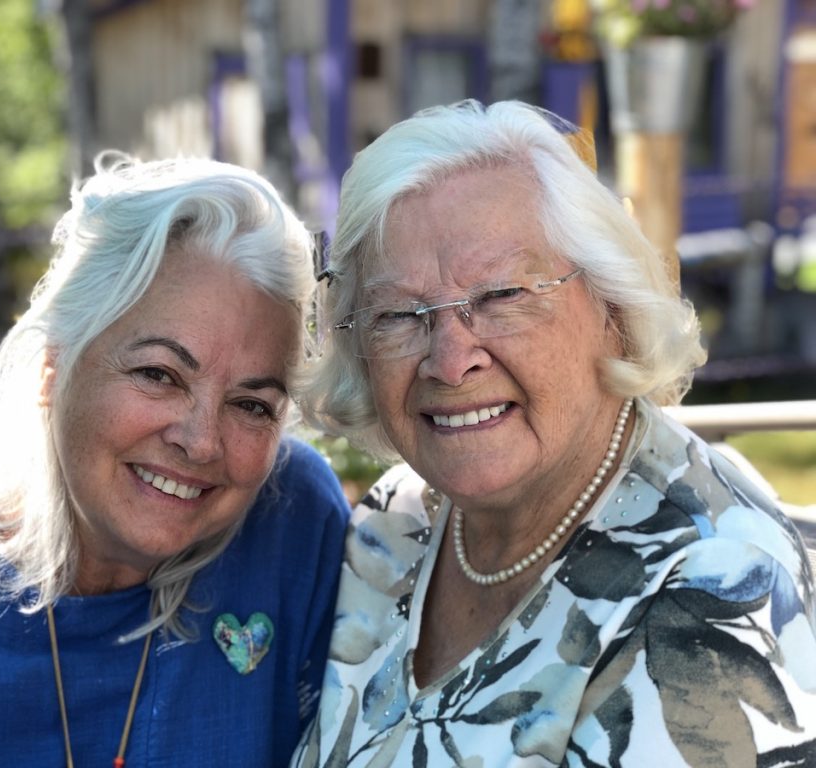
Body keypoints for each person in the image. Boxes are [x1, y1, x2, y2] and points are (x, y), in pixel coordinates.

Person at [292, 100, 816, 767]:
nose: (451, 361)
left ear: (611, 306)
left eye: (502, 297)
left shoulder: (711, 591)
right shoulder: (396, 521)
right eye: (399, 313)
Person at [0, 153, 351, 767]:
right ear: (55, 365)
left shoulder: (295, 526)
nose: (201, 442)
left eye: (251, 405)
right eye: (159, 374)